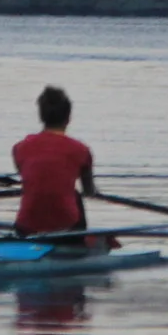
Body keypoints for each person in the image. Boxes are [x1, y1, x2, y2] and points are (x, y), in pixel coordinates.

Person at [11, 84, 99, 247]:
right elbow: (89, 191)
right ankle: (78, 248)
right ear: (68, 117)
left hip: (26, 227)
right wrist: (93, 192)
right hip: (67, 229)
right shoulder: (82, 150)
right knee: (76, 195)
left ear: (41, 116)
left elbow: (29, 177)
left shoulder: (19, 148)